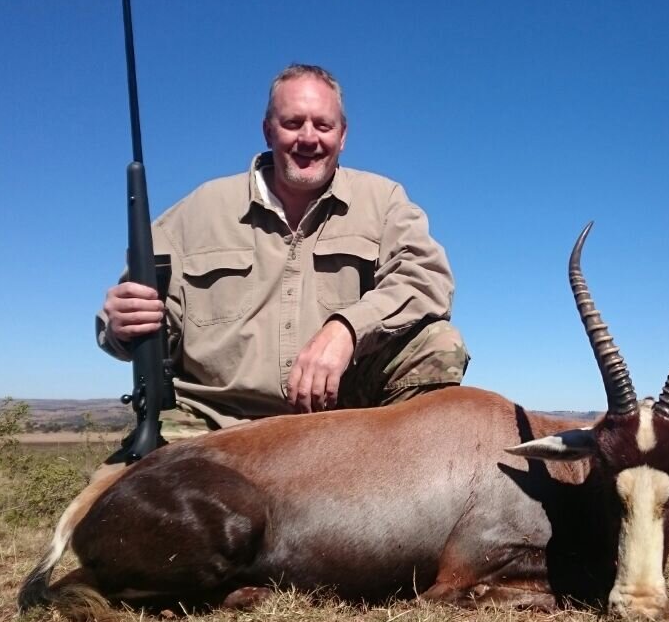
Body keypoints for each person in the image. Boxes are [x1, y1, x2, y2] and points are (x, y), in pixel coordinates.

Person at [97, 64, 468, 431]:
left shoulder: (384, 201)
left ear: (343, 136)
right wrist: (122, 324)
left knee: (437, 344)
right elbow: (129, 329)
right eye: (293, 123)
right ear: (267, 131)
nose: (309, 138)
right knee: (110, 491)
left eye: (323, 125)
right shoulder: (197, 211)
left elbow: (426, 280)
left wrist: (348, 329)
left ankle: (399, 481)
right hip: (215, 423)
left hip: (342, 415)